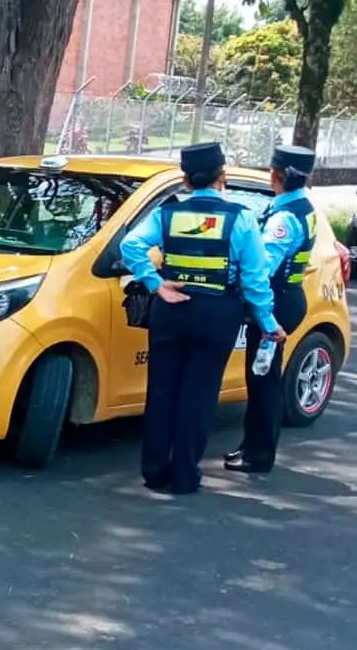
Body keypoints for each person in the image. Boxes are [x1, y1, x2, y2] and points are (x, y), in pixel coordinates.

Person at [119, 141, 286, 495]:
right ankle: (184, 477)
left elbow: (130, 246)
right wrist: (269, 324)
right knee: (199, 394)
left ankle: (153, 471)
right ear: (222, 177)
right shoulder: (240, 218)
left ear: (185, 180)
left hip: (171, 309)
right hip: (217, 314)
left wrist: (155, 284)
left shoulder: (166, 214)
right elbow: (255, 281)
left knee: (162, 391)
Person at [225, 144, 317, 474]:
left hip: (276, 303)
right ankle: (252, 446)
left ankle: (258, 455)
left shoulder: (283, 218)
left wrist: (260, 311)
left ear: (274, 174)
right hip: (289, 297)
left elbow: (261, 269)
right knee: (262, 377)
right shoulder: (303, 207)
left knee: (264, 381)